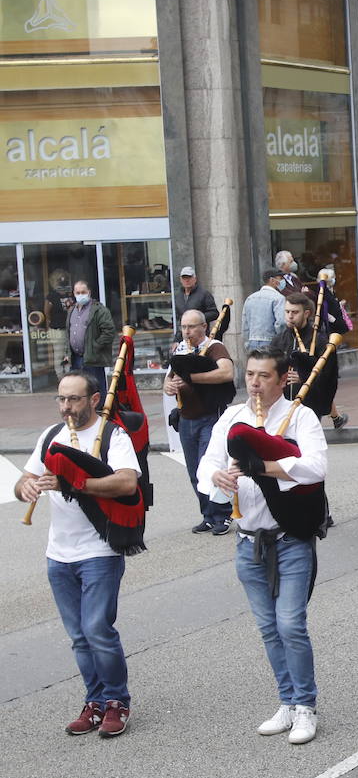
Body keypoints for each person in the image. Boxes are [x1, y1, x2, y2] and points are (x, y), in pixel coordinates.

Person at [198, 348, 329, 744]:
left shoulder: (301, 417)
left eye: (263, 376)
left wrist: (263, 467)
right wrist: (218, 478)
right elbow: (206, 464)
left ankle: (306, 707)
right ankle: (287, 701)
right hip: (248, 540)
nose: (254, 383)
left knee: (290, 624)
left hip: (289, 538)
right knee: (269, 628)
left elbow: (315, 468)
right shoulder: (232, 417)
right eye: (250, 375)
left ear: (282, 378)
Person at [16, 371, 141, 738]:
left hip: (99, 550)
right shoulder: (51, 436)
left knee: (97, 630)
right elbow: (23, 477)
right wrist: (25, 487)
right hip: (59, 553)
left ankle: (117, 701)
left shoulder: (112, 435)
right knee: (79, 636)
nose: (66, 407)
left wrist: (76, 484)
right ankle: (96, 701)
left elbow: (126, 481)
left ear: (94, 399)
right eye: (61, 399)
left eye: (73, 399)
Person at [164, 309, 236, 535]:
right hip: (186, 418)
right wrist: (168, 386)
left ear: (204, 327)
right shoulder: (181, 349)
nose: (187, 332)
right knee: (195, 470)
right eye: (184, 327)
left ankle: (222, 516)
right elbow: (170, 380)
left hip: (209, 417)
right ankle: (207, 515)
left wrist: (192, 378)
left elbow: (226, 373)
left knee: (212, 466)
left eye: (191, 327)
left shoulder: (215, 347)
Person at [269, 293, 345, 430]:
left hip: (309, 404)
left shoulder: (319, 341)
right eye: (287, 312)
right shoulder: (279, 340)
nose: (290, 316)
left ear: (306, 313)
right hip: (283, 403)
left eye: (295, 312)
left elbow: (328, 375)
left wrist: (303, 377)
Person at [63, 280, 116, 396]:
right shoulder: (72, 310)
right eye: (78, 292)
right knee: (78, 388)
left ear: (89, 292)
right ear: (74, 293)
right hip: (76, 358)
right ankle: (82, 412)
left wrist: (95, 346)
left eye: (83, 292)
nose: (80, 295)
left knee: (95, 387)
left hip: (93, 357)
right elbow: (69, 332)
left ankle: (100, 410)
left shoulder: (98, 310)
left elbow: (109, 331)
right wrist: (68, 352)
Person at [243, 270, 286, 351]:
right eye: (280, 278)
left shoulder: (250, 298)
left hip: (252, 342)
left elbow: (245, 324)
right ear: (272, 280)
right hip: (271, 342)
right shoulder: (279, 298)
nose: (282, 281)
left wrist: (247, 342)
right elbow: (281, 322)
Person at [173, 267, 220, 337]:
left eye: (189, 277)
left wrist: (197, 318)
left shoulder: (204, 294)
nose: (187, 280)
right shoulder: (178, 296)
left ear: (195, 279)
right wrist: (176, 339)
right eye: (184, 278)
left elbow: (214, 313)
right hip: (183, 336)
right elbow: (177, 318)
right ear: (181, 280)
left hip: (200, 335)